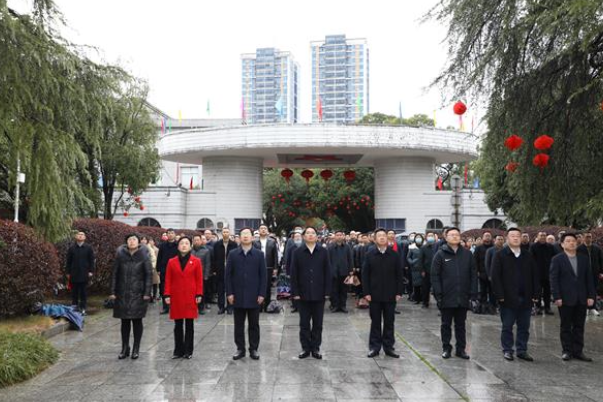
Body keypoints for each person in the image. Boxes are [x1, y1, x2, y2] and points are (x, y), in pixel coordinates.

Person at [491, 228, 540, 362]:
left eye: (518, 236)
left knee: (524, 326)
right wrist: (500, 295)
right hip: (507, 297)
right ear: (507, 238)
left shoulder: (527, 255)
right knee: (507, 325)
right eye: (512, 236)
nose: (516, 238)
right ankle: (507, 350)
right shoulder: (500, 255)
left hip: (526, 297)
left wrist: (536, 293)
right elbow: (495, 277)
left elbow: (535, 276)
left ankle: (522, 350)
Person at [431, 227, 478, 359]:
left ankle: (461, 349)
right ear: (446, 238)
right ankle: (446, 348)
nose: (455, 237)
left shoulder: (467, 254)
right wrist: (438, 294)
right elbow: (435, 276)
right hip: (446, 296)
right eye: (452, 235)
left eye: (457, 234)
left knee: (461, 325)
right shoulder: (440, 255)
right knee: (445, 325)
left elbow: (473, 275)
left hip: (462, 296)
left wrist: (473, 293)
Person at [550, 233, 596, 361]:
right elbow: (554, 280)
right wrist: (556, 296)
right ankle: (567, 351)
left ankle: (578, 351)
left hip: (581, 297)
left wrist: (591, 295)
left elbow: (589, 279)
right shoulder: (557, 259)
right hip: (565, 298)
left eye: (573, 241)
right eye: (568, 241)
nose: (571, 243)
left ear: (577, 243)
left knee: (579, 326)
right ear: (562, 244)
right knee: (566, 326)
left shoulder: (583, 259)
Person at [290, 227, 332, 359]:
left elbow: (327, 272)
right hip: (303, 293)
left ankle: (315, 348)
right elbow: (294, 273)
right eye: (307, 233)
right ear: (303, 236)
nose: (310, 235)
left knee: (318, 323)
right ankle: (305, 348)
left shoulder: (323, 252)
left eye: (313, 233)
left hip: (319, 293)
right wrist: (295, 292)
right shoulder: (297, 252)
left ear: (317, 236)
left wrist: (327, 291)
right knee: (304, 323)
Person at [226, 228, 267, 360]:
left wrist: (261, 294)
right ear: (239, 237)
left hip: (254, 295)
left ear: (252, 238)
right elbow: (228, 276)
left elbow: (263, 276)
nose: (245, 237)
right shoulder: (232, 254)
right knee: (238, 324)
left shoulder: (259, 254)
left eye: (247, 234)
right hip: (237, 295)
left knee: (254, 324)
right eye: (242, 234)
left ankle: (253, 349)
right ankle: (240, 348)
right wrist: (230, 293)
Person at [109, 234, 152, 360]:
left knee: (137, 321)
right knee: (124, 321)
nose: (132, 242)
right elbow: (114, 274)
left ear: (138, 242)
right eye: (129, 240)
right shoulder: (120, 255)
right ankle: (125, 347)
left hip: (138, 293)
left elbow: (148, 275)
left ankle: (136, 348)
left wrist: (147, 293)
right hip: (122, 293)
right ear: (126, 242)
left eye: (134, 239)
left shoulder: (144, 255)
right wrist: (112, 291)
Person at [363, 228, 404, 358]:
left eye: (384, 236)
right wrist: (366, 292)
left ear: (388, 238)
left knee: (389, 322)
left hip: (390, 294)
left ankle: (389, 347)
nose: (382, 238)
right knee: (375, 322)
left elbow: (399, 274)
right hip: (374, 294)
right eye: (379, 236)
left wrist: (399, 292)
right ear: (374, 239)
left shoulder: (394, 254)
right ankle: (374, 347)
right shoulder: (369, 254)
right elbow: (365, 275)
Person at [164, 237, 203, 359]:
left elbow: (199, 279)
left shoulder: (196, 261)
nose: (184, 245)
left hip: (191, 295)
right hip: (176, 296)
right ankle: (178, 350)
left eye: (187, 243)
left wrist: (199, 294)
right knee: (178, 325)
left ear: (190, 246)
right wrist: (167, 294)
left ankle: (188, 351)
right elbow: (168, 279)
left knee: (189, 325)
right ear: (178, 246)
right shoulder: (171, 261)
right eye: (181, 243)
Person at [66, 231, 95, 315]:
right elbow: (68, 261)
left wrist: (91, 271)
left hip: (84, 273)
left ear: (85, 237)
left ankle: (83, 308)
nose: (80, 236)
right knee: (74, 292)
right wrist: (68, 272)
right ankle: (74, 307)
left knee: (83, 292)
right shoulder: (71, 248)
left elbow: (91, 261)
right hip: (74, 273)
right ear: (76, 237)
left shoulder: (88, 248)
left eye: (82, 235)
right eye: (79, 234)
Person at [253, 224, 279, 312]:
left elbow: (275, 256)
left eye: (265, 228)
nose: (263, 230)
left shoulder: (272, 241)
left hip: (268, 267)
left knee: (267, 287)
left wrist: (275, 268)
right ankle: (259, 306)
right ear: (259, 231)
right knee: (257, 285)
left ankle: (267, 305)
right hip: (257, 267)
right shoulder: (254, 242)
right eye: (261, 228)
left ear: (267, 231)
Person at [530, 232, 556, 315]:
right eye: (541, 235)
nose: (543, 237)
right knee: (537, 292)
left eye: (544, 235)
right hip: (537, 273)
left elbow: (554, 258)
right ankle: (538, 307)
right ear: (537, 237)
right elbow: (530, 260)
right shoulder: (533, 247)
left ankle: (547, 307)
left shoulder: (550, 247)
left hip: (548, 273)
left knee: (547, 292)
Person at [328, 230, 354, 313]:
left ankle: (343, 305)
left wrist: (350, 270)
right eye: (337, 235)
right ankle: (335, 305)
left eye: (340, 235)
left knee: (344, 290)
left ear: (343, 236)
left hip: (344, 272)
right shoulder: (330, 247)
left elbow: (350, 259)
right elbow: (328, 260)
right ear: (335, 237)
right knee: (334, 290)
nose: (339, 236)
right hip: (333, 272)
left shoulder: (347, 247)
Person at [577, 232, 603, 316]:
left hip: (595, 273)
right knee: (584, 290)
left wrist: (601, 272)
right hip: (583, 273)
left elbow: (601, 260)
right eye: (587, 237)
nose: (588, 238)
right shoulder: (579, 249)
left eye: (590, 237)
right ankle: (585, 308)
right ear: (583, 238)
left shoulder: (597, 248)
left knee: (593, 290)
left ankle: (593, 307)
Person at [213, 228, 237, 315]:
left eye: (227, 232)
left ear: (229, 233)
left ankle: (230, 307)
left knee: (230, 289)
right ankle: (221, 307)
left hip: (231, 270)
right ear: (221, 233)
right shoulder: (217, 245)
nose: (225, 233)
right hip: (220, 270)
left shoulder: (234, 244)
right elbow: (214, 258)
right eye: (224, 232)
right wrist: (214, 269)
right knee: (220, 290)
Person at [157, 229, 178, 314]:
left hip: (175, 270)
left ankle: (175, 306)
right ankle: (165, 307)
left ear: (175, 234)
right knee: (164, 288)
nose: (170, 235)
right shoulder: (162, 245)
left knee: (175, 288)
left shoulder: (178, 245)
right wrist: (158, 269)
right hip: (164, 269)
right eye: (168, 233)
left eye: (172, 233)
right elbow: (159, 257)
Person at [474, 231, 494, 314]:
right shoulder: (478, 248)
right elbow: (475, 261)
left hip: (492, 274)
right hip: (482, 273)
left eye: (489, 236)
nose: (487, 237)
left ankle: (492, 307)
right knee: (482, 292)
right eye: (486, 236)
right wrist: (477, 271)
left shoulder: (494, 248)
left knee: (492, 291)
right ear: (483, 238)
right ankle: (483, 307)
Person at [191, 234, 212, 315]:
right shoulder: (190, 251)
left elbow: (208, 264)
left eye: (198, 240)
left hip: (201, 275)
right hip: (191, 275)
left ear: (201, 241)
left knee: (201, 292)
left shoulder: (206, 251)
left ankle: (201, 307)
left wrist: (206, 275)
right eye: (195, 240)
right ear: (192, 241)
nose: (196, 241)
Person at [285, 231, 303, 313]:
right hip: (293, 271)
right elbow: (288, 260)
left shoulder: (304, 246)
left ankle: (302, 306)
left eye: (299, 236)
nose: (297, 237)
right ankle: (295, 306)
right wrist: (288, 272)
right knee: (294, 289)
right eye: (296, 236)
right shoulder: (291, 248)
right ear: (293, 238)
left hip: (303, 271)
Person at [419, 232, 437, 308]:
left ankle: (439, 303)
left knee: (436, 288)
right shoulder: (423, 247)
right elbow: (420, 260)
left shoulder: (437, 246)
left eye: (432, 236)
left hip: (436, 271)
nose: (430, 237)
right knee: (425, 288)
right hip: (426, 271)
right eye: (429, 236)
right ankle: (425, 302)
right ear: (426, 237)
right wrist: (422, 270)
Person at [407, 234, 425, 304]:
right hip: (415, 269)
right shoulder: (412, 247)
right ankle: (417, 299)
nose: (418, 239)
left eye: (420, 238)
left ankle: (424, 299)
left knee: (424, 285)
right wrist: (412, 262)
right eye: (417, 238)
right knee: (416, 285)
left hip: (423, 269)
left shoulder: (424, 247)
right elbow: (408, 257)